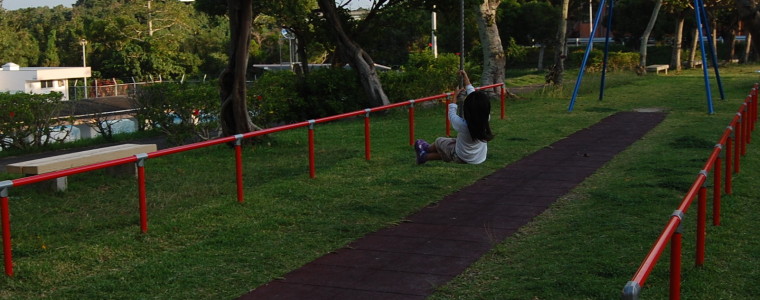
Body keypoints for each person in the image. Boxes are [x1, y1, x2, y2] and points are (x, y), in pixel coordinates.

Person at [414, 70, 494, 164]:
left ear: (467, 110)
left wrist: (454, 96)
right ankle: (424, 156)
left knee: (440, 141)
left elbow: (451, 114)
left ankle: (426, 149)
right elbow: (472, 94)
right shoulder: (486, 118)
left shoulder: (463, 125)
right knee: (452, 143)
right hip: (478, 157)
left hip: (460, 156)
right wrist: (465, 77)